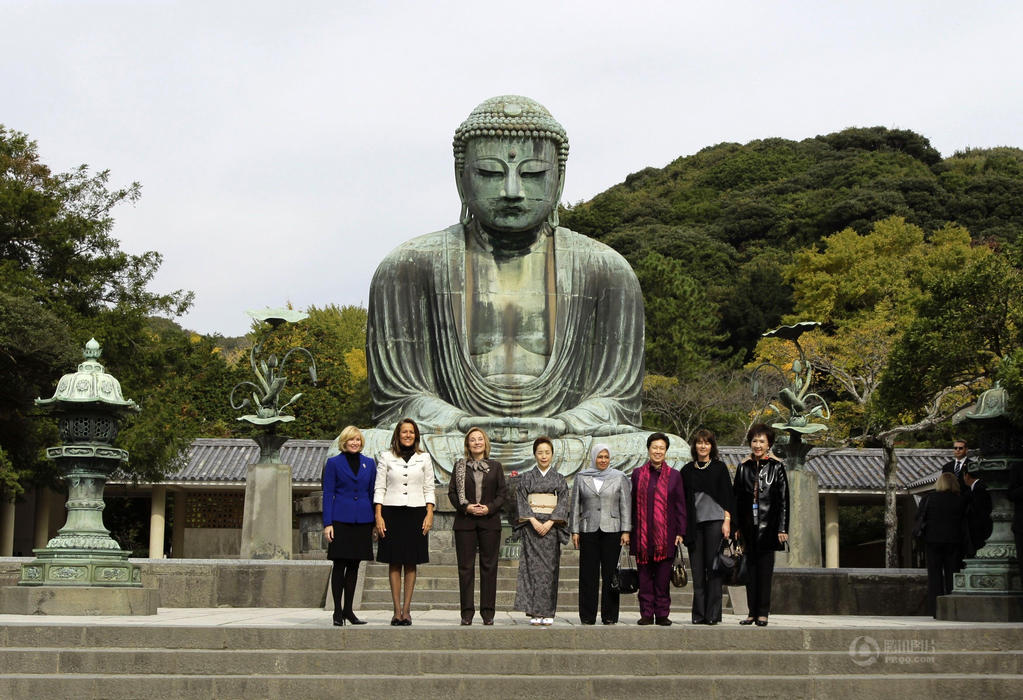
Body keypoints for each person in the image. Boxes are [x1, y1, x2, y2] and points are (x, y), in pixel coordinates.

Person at [362, 95, 688, 479]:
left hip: (565, 439)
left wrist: (561, 425)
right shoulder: (409, 267)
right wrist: (466, 423)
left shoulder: (606, 270)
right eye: (490, 173)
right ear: (461, 176)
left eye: (532, 174)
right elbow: (399, 400)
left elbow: (616, 403)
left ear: (559, 178)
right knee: (364, 446)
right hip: (455, 439)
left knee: (674, 452)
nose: (512, 191)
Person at [374, 418, 435, 626]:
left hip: (416, 512)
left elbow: (429, 488)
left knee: (411, 562)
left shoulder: (425, 458)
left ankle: (407, 611)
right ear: (398, 435)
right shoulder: (386, 457)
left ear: (416, 435)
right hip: (391, 512)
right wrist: (378, 515)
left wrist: (429, 513)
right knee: (394, 561)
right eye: (404, 432)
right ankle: (396, 610)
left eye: (411, 432)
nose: (408, 435)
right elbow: (379, 487)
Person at [448, 427, 508, 626]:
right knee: (465, 568)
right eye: (472, 440)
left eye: (479, 439)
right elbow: (453, 493)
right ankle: (466, 613)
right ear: (468, 444)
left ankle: (488, 612)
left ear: (485, 443)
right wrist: (467, 507)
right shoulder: (459, 466)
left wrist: (488, 508)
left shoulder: (496, 466)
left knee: (489, 567)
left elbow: (502, 494)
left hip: (489, 522)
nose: (476, 442)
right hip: (465, 522)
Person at [732, 423, 789, 627]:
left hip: (769, 528)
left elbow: (783, 500)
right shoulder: (743, 467)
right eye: (755, 441)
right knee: (749, 571)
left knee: (765, 572)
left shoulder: (777, 466)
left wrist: (782, 528)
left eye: (762, 441)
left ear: (769, 444)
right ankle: (751, 612)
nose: (758, 445)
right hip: (748, 528)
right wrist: (736, 527)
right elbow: (736, 498)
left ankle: (763, 612)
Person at [570, 443, 631, 625]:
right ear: (594, 457)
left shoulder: (619, 477)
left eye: (606, 457)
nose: (603, 460)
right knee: (588, 574)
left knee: (611, 574)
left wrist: (626, 530)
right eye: (600, 457)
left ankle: (609, 615)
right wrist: (574, 530)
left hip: (612, 529)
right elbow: (575, 506)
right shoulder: (582, 477)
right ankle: (587, 615)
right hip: (588, 529)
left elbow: (625, 505)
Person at [679, 428, 736, 625]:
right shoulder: (686, 470)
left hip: (715, 523)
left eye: (707, 443)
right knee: (697, 569)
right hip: (694, 525)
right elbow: (682, 501)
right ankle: (698, 614)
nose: (703, 446)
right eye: (699, 443)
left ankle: (713, 614)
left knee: (713, 569)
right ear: (694, 446)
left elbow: (729, 496)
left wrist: (727, 520)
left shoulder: (719, 468)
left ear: (712, 446)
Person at [322, 425, 377, 626]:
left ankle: (349, 611)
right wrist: (328, 523)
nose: (354, 443)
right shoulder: (334, 463)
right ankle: (337, 611)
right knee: (340, 565)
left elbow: (372, 493)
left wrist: (374, 523)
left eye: (357, 440)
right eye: (350, 440)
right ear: (343, 442)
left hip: (363, 519)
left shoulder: (369, 464)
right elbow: (328, 493)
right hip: (340, 519)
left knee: (355, 565)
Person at [630, 432, 687, 626]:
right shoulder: (637, 474)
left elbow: (680, 505)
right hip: (642, 536)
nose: (658, 451)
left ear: (666, 451)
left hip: (666, 536)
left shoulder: (674, 476)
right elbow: (632, 505)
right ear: (648, 449)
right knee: (645, 578)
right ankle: (646, 613)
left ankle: (662, 613)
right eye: (654, 447)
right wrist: (629, 532)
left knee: (662, 579)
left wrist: (680, 532)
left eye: (661, 448)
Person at [514, 436, 570, 626]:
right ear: (534, 455)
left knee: (549, 571)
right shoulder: (527, 478)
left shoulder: (559, 479)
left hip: (551, 530)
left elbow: (563, 502)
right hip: (531, 528)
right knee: (531, 570)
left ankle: (547, 612)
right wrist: (532, 519)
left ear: (552, 454)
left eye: (547, 452)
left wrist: (551, 522)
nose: (544, 456)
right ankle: (534, 612)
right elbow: (521, 500)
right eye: (540, 453)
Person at [918, 472, 966, 617]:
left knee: (934, 575)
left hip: (933, 540)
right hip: (953, 541)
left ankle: (935, 609)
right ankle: (953, 608)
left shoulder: (929, 498)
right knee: (952, 573)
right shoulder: (960, 500)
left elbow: (920, 517)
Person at [963, 467, 993, 559]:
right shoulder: (977, 487)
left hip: (981, 529)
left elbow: (980, 511)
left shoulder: (978, 488)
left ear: (967, 476)